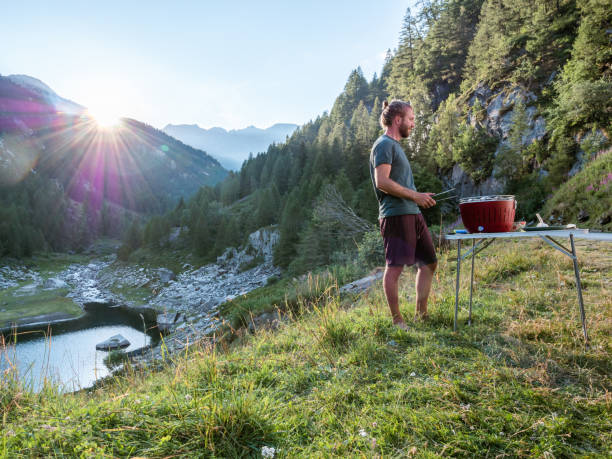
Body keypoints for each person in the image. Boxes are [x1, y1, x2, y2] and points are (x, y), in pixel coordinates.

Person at [369, 100, 438, 330]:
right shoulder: (383, 145)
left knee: (429, 263)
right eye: (411, 119)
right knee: (395, 267)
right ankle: (397, 321)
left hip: (412, 212)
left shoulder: (395, 146)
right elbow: (382, 182)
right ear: (397, 120)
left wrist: (418, 198)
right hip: (396, 215)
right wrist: (415, 196)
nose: (413, 124)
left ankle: (422, 315)